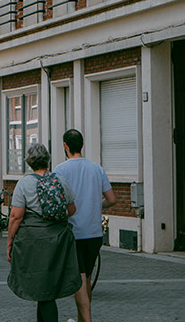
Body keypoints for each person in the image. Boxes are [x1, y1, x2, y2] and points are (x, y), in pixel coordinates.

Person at [7, 142, 81, 322]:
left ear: (29, 162)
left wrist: (9, 242)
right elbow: (72, 210)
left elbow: (16, 216)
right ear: (47, 160)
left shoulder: (24, 183)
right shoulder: (60, 180)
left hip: (33, 241)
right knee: (47, 288)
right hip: (57, 241)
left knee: (43, 290)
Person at [54, 129, 115, 322]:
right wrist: (97, 204)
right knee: (86, 276)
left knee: (78, 278)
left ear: (65, 146)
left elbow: (56, 202)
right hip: (95, 232)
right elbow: (112, 199)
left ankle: (87, 320)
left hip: (74, 232)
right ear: (82, 145)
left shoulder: (60, 170)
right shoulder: (97, 168)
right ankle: (81, 319)